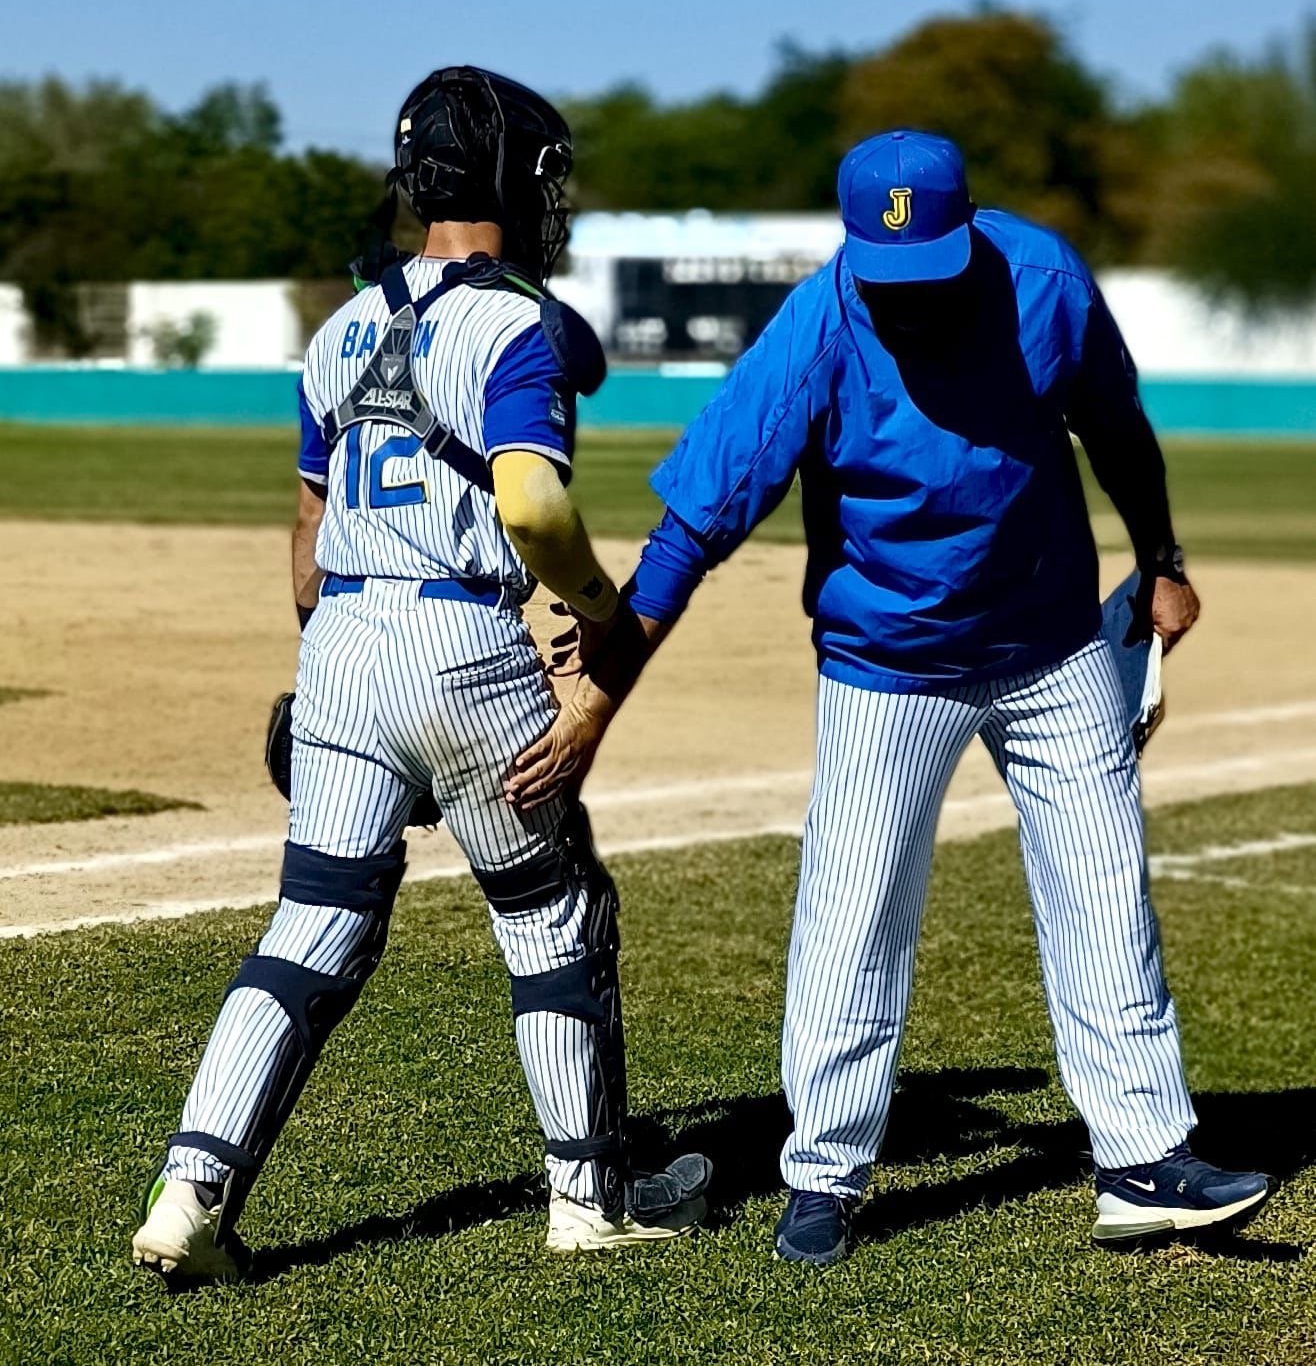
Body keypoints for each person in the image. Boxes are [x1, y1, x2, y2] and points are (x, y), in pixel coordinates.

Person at [504, 130, 1273, 1266]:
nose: (908, 297)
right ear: (853, 248)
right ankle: (823, 1172)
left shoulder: (1043, 282)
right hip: (887, 665)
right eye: (886, 275)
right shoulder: (818, 326)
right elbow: (692, 529)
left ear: (970, 233)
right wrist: (595, 704)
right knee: (854, 910)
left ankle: (1144, 1158)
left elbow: (1113, 424)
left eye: (932, 269)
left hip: (1052, 645)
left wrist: (1159, 560)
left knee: (1105, 892)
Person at [131, 65, 708, 1280]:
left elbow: (307, 533)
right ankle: (586, 1198)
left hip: (342, 641)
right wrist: (600, 611)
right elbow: (531, 505)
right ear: (508, 180)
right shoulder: (515, 327)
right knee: (551, 912)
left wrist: (338, 683)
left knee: (312, 922)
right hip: (464, 643)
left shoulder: (336, 330)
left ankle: (189, 1196)